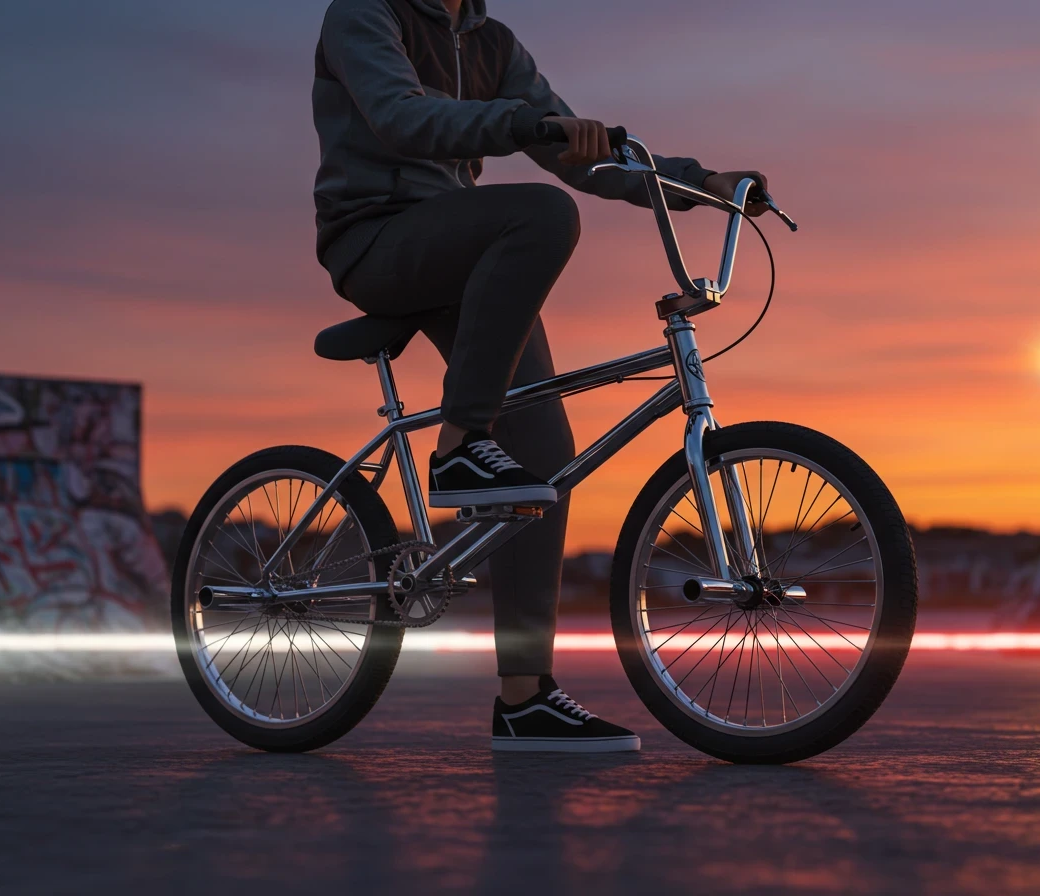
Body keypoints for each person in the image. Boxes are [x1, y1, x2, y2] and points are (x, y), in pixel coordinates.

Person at [313, 0, 767, 752]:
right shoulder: (366, 12)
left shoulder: (491, 43)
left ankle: (525, 701)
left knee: (544, 466)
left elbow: (574, 149)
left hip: (463, 248)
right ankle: (459, 444)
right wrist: (517, 124)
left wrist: (698, 182)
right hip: (376, 237)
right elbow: (401, 118)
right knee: (542, 215)